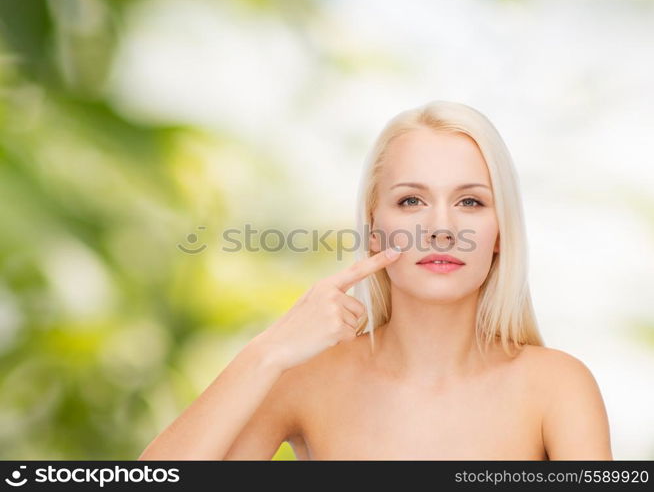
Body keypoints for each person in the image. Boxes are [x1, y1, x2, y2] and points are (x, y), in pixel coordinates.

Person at [138, 100, 612, 460]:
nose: (441, 228)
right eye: (411, 201)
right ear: (373, 225)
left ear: (500, 232)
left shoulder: (557, 386)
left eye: (470, 202)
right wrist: (267, 354)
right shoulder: (307, 379)